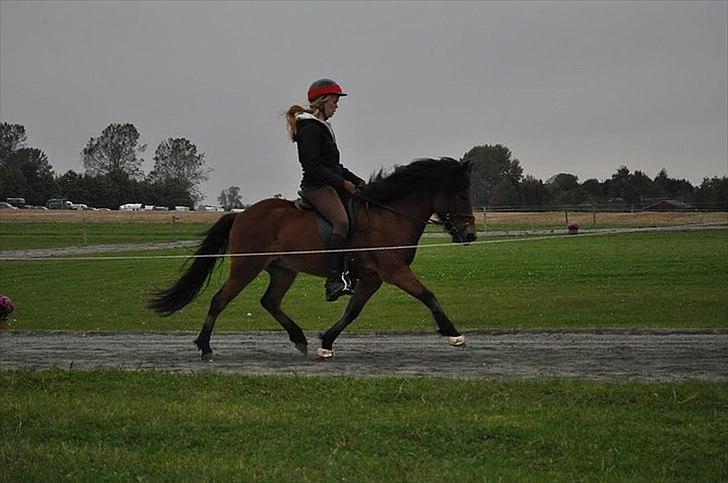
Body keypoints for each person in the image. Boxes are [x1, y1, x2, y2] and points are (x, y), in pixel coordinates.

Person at [285, 78, 365, 302]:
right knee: (341, 221)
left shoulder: (322, 127)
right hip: (316, 187)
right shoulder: (309, 128)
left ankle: (351, 272)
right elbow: (312, 166)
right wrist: (341, 183)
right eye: (334, 101)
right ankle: (333, 281)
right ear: (321, 102)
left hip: (329, 183)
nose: (336, 106)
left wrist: (359, 181)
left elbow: (335, 166)